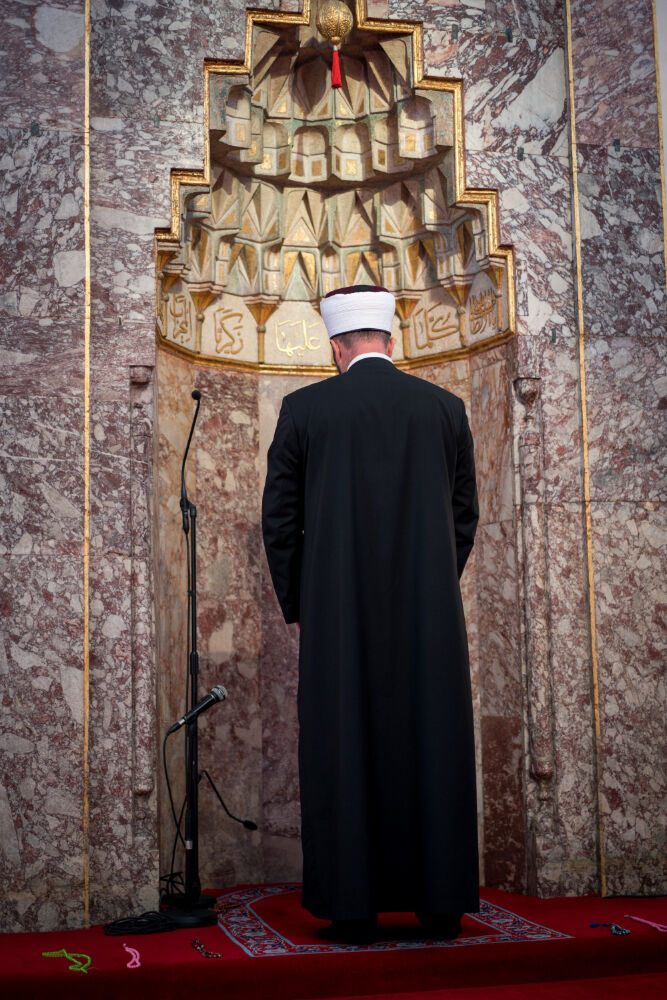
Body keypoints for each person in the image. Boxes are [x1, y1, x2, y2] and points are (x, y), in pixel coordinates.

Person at [261, 284, 480, 945]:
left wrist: (302, 602)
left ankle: (353, 910)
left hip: (338, 615)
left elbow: (279, 519)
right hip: (429, 616)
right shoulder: (444, 408)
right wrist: (435, 581)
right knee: (431, 741)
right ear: (389, 339)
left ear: (335, 347)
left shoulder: (305, 407)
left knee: (344, 742)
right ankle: (439, 906)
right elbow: (463, 513)